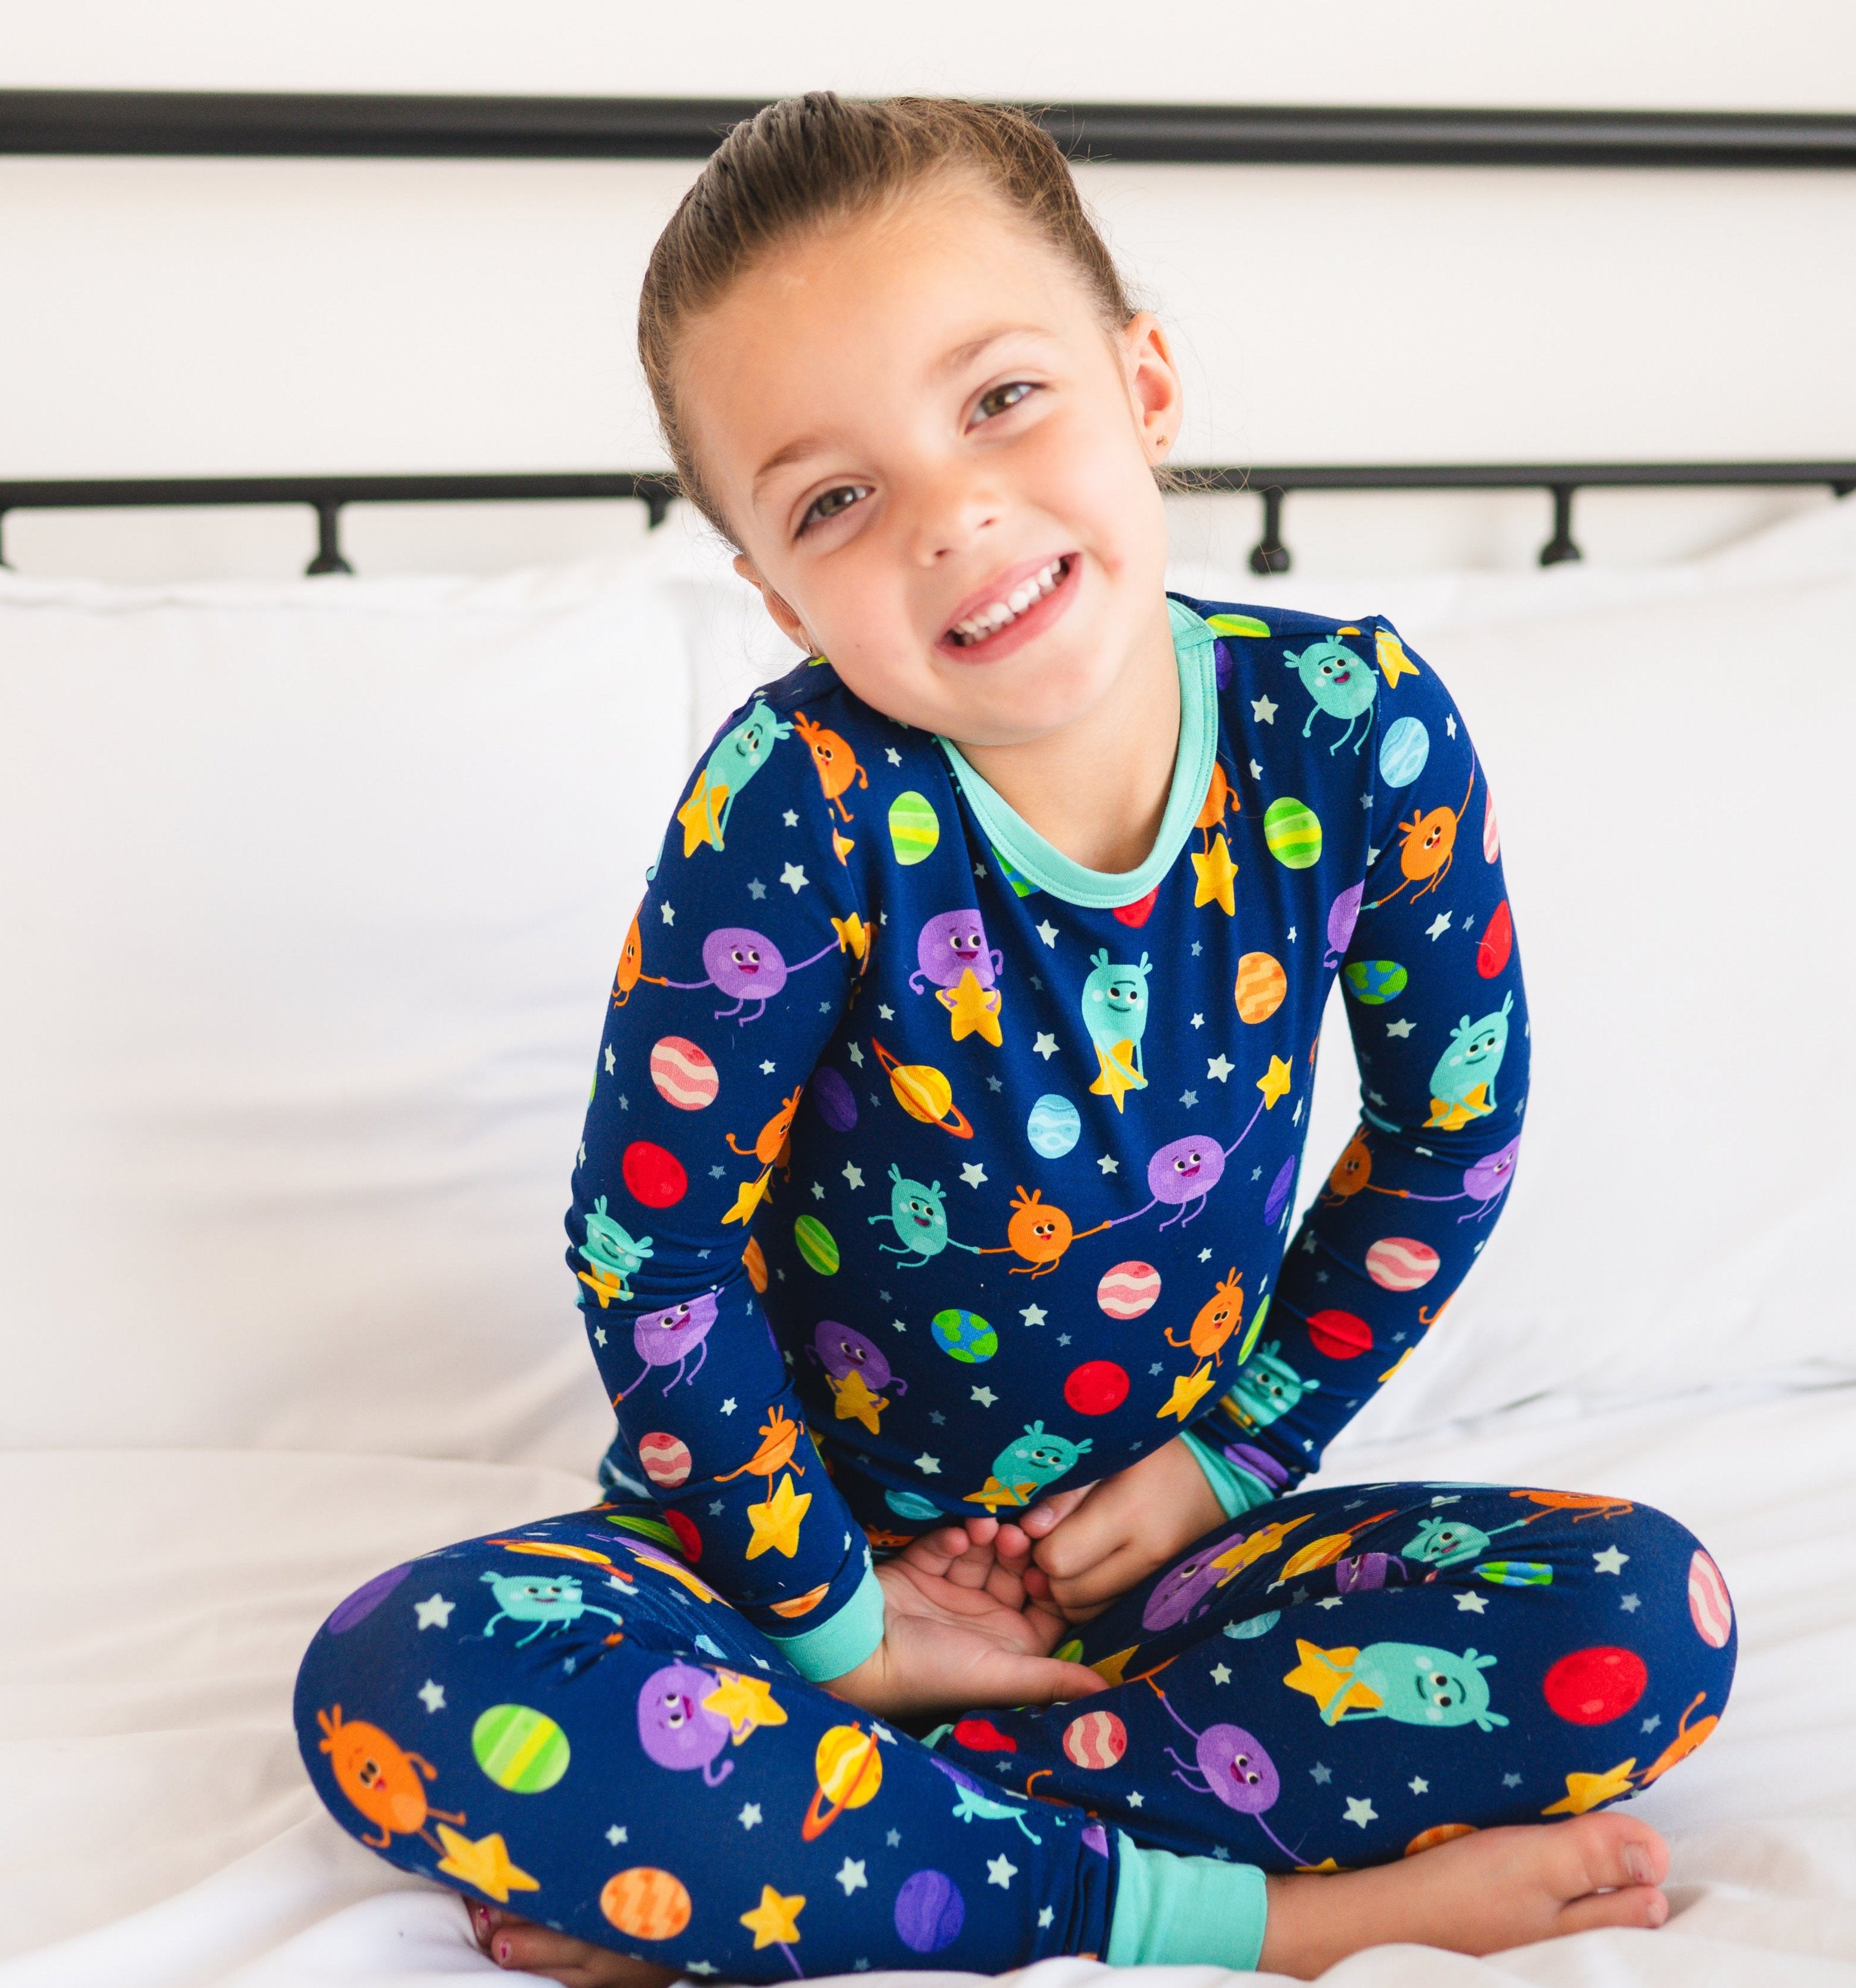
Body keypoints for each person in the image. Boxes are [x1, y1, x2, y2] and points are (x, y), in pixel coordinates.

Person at [295, 93, 1734, 1983]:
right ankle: (1253, 1917)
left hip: (1142, 1565)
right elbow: (652, 1248)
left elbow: (1446, 1141)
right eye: (832, 498)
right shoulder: (796, 801)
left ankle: (783, 1850)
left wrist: (1217, 1470)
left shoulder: (1350, 729)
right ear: (768, 586)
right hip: (783, 1575)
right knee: (399, 1675)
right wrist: (836, 1627)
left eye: (998, 400)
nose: (952, 514)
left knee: (1640, 1615)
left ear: (1144, 384)